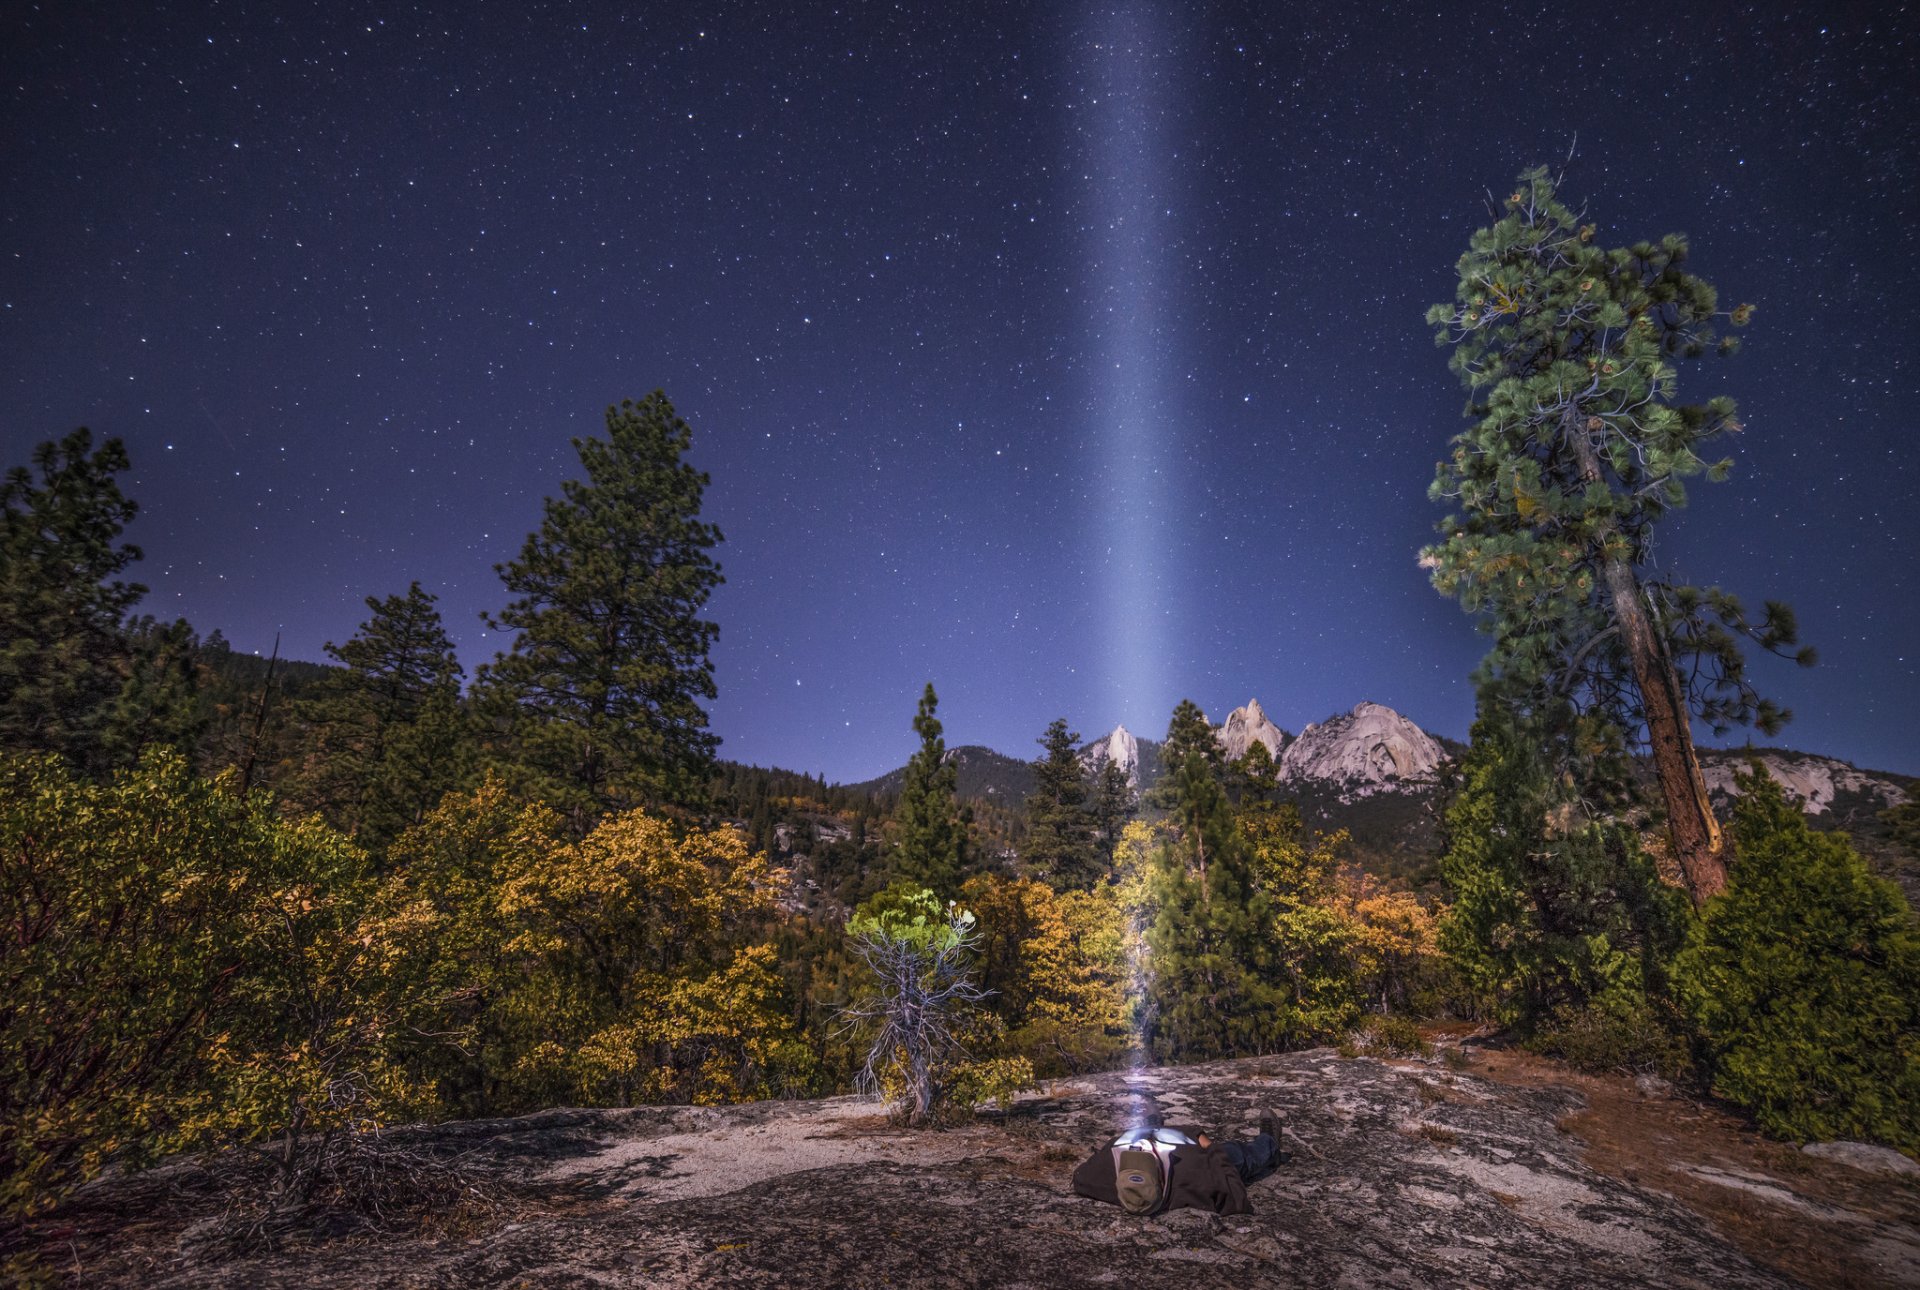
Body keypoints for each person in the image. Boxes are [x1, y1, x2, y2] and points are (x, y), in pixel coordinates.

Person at [1071, 1110, 1286, 1215]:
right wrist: (1207, 1144)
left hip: (1143, 1139)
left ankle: (1152, 1125)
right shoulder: (1194, 1178)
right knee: (1240, 1155)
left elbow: (1079, 1178)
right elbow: (1233, 1190)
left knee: (1146, 1131)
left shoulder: (1097, 1176)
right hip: (1189, 1149)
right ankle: (1269, 1144)